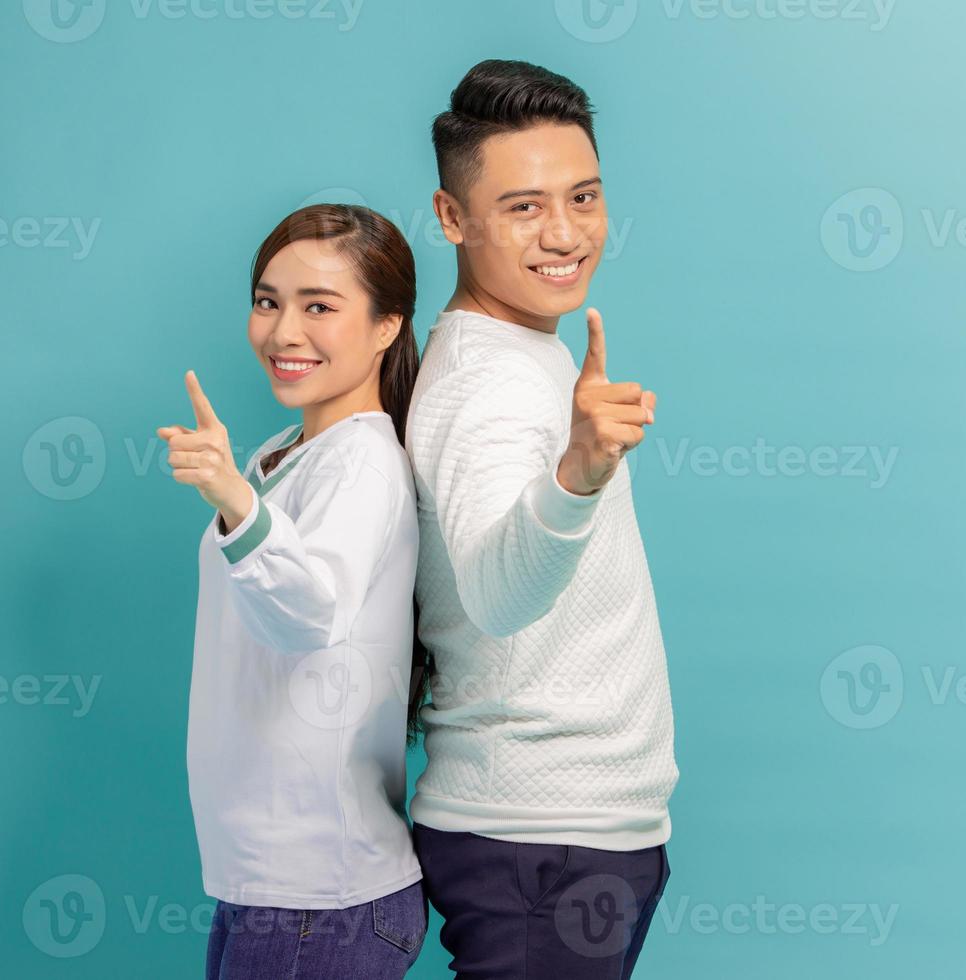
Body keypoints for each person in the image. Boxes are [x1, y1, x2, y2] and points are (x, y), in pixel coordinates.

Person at [405, 59, 679, 978]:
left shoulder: (523, 354)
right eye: (523, 207)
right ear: (451, 219)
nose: (564, 233)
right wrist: (577, 471)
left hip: (562, 835)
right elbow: (497, 590)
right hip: (539, 839)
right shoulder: (484, 385)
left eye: (584, 196)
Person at [158, 204, 428, 980]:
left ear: (385, 327)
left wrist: (231, 499)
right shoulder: (285, 452)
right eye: (268, 301)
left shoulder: (364, 461)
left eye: (318, 306)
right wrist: (239, 490)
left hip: (319, 895)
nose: (282, 332)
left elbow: (310, 611)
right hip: (272, 882)